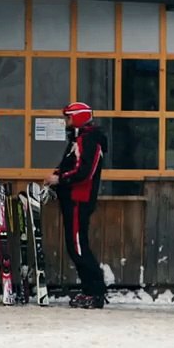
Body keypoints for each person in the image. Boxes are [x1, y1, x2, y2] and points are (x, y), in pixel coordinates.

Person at [47, 102, 108, 310]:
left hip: (78, 199)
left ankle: (95, 291)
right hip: (72, 198)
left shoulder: (88, 140)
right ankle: (89, 289)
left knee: (78, 247)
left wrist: (60, 179)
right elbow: (71, 164)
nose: (66, 121)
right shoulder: (79, 138)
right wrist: (58, 174)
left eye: (69, 117)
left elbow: (85, 172)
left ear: (78, 118)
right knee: (75, 246)